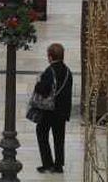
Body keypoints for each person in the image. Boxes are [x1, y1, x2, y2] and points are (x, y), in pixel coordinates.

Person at [32, 43, 75, 174]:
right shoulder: (68, 71)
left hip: (49, 110)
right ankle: (58, 164)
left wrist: (38, 84)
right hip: (62, 111)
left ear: (50, 57)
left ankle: (47, 163)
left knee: (41, 132)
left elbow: (44, 91)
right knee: (59, 137)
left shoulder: (49, 71)